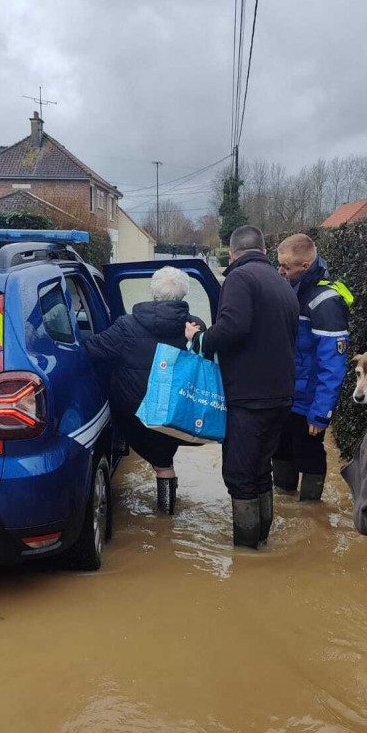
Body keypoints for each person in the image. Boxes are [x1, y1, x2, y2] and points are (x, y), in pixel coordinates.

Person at [185, 224, 298, 548]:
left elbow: (233, 327)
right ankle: (263, 542)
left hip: (249, 397)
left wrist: (199, 339)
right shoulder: (282, 282)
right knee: (261, 470)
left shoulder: (239, 277)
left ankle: (247, 553)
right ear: (264, 251)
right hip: (280, 395)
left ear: (232, 254)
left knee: (239, 475)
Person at [84, 266, 205, 515]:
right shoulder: (195, 325)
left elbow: (92, 350)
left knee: (155, 455)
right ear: (184, 294)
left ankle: (165, 506)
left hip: (134, 411)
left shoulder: (126, 325)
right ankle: (166, 513)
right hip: (175, 410)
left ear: (152, 291)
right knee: (164, 460)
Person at [274, 233, 352, 501]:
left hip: (308, 401)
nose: (280, 271)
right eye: (279, 265)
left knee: (309, 455)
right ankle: (284, 502)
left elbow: (333, 364)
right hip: (286, 394)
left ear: (305, 267)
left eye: (286, 267)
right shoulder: (291, 288)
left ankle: (311, 511)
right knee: (281, 451)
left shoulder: (325, 301)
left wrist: (320, 413)